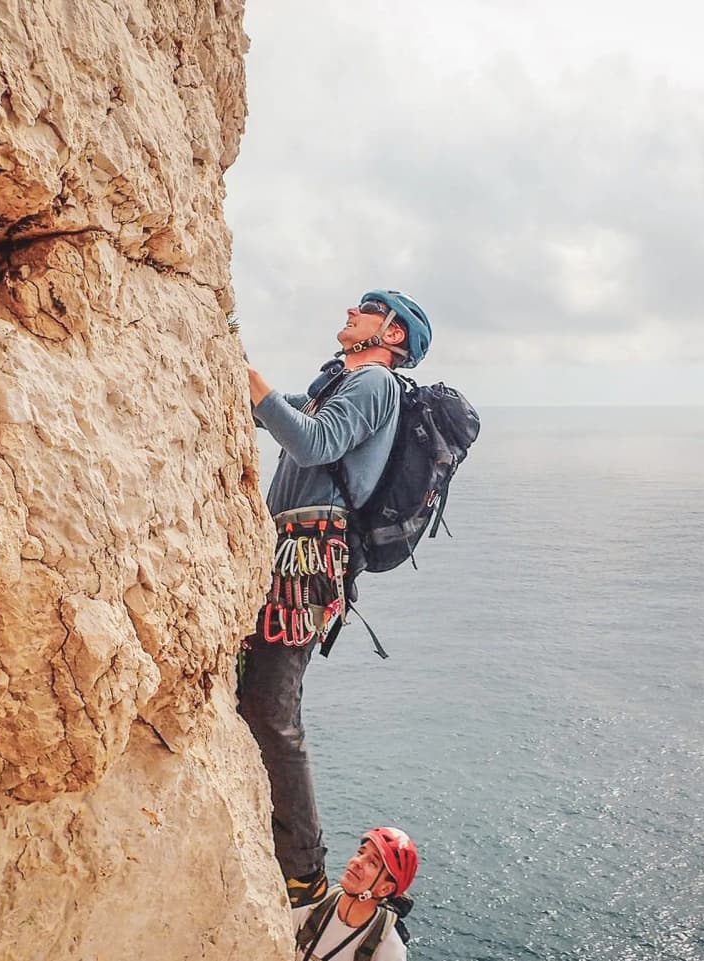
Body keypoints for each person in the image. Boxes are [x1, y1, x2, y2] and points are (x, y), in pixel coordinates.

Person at [239, 290, 433, 906]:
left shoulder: (375, 383)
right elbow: (278, 415)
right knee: (260, 694)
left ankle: (303, 866)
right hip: (293, 544)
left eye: (368, 307)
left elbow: (313, 444)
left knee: (273, 705)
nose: (353, 310)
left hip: (309, 553)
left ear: (393, 332)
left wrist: (252, 382)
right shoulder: (341, 383)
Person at [292, 827, 419, 961]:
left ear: (385, 889)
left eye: (372, 863)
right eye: (360, 853)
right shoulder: (310, 905)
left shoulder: (388, 950)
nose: (357, 862)